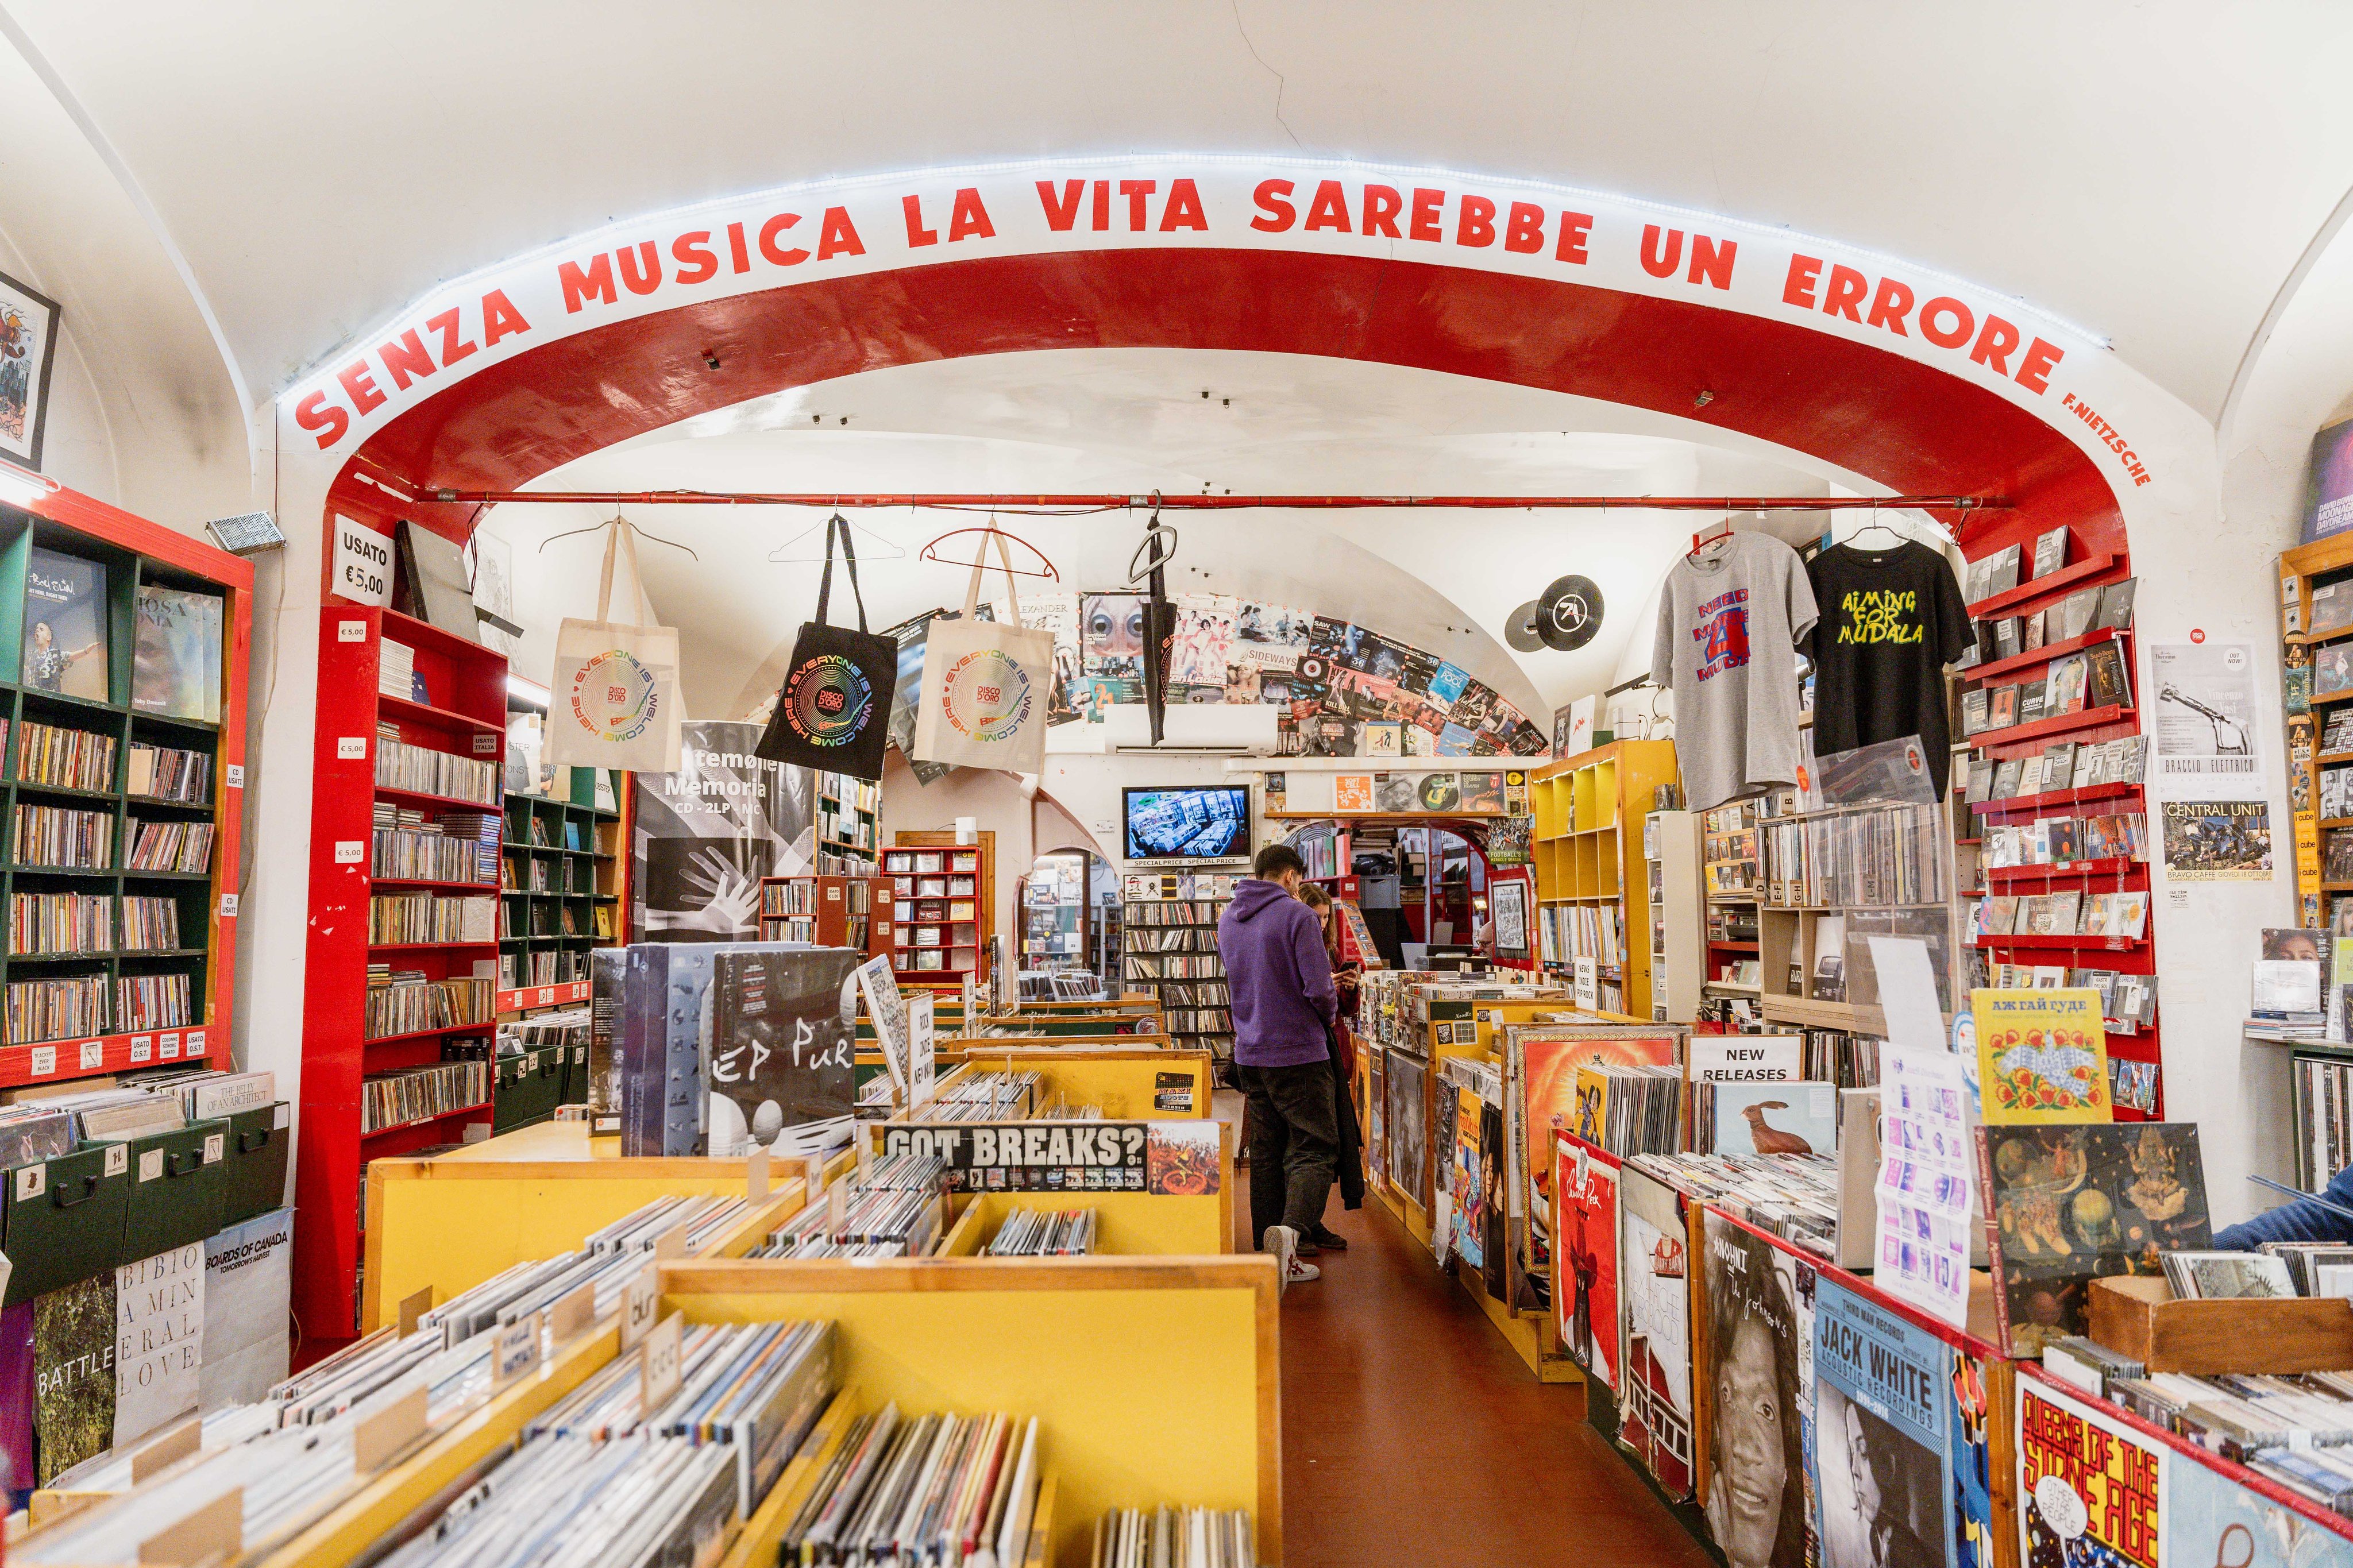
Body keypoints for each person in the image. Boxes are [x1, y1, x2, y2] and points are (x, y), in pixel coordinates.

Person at [1218, 843, 1338, 1291]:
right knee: (1315, 1146)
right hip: (1299, 1051)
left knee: (1265, 1152)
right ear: (1290, 876)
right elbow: (1319, 989)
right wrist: (1325, 1018)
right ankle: (1290, 1236)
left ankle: (1264, 1251)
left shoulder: (1229, 917)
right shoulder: (1299, 916)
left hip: (1250, 1052)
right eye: (1299, 880)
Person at [1293, 883, 1365, 1229]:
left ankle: (1312, 1218)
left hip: (1335, 1049)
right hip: (1312, 1051)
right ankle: (1305, 1222)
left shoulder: (1333, 951)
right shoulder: (1297, 948)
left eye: (1325, 919)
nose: (1321, 925)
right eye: (1316, 918)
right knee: (1317, 1142)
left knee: (1330, 1141)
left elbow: (1347, 1012)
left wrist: (1348, 988)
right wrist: (1326, 989)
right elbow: (1304, 1003)